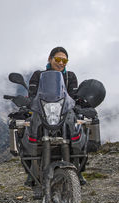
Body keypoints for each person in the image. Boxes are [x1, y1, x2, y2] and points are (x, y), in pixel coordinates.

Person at [24, 46, 88, 187]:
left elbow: (73, 96)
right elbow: (33, 94)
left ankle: (79, 169)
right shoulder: (38, 75)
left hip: (64, 113)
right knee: (28, 132)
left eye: (64, 61)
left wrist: (80, 103)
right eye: (58, 59)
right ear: (50, 59)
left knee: (80, 131)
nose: (61, 63)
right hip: (43, 111)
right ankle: (32, 171)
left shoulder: (70, 76)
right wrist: (27, 102)